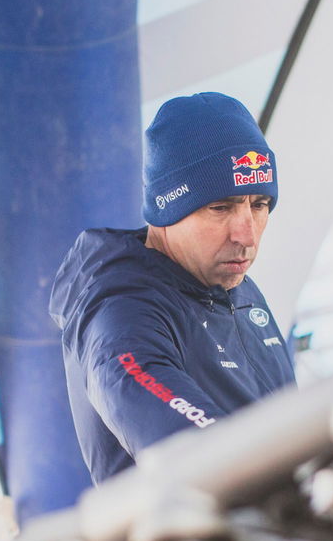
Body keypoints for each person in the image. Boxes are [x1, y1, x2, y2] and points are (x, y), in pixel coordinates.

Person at [49, 92, 296, 483]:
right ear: (167, 209)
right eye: (221, 207)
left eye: (260, 204)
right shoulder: (123, 312)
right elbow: (189, 453)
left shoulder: (238, 290)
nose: (247, 233)